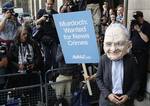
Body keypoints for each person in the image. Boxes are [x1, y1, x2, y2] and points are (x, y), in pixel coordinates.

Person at [96, 23, 140, 106]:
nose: (113, 49)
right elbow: (98, 78)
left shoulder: (131, 60)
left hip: (126, 102)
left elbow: (137, 81)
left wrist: (128, 95)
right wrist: (108, 94)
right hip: (107, 101)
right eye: (108, 44)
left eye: (119, 44)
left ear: (129, 45)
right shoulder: (103, 59)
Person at [130, 11, 150, 101]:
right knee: (133, 73)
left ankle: (140, 94)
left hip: (142, 54)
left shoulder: (147, 25)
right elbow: (131, 37)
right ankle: (133, 92)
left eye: (137, 17)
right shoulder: (133, 23)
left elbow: (146, 40)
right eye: (135, 17)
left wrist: (139, 30)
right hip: (133, 52)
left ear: (141, 17)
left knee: (141, 74)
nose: (136, 19)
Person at [35, 0, 59, 72]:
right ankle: (46, 77)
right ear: (45, 3)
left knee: (55, 58)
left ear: (53, 4)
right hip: (44, 38)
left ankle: (54, 75)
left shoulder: (55, 13)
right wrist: (42, 19)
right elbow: (36, 24)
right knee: (47, 58)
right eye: (48, 4)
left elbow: (57, 26)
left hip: (54, 38)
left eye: (51, 4)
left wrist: (52, 20)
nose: (49, 6)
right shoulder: (41, 12)